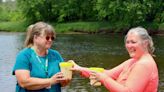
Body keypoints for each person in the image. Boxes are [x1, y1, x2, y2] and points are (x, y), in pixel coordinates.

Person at [71, 27, 159, 92]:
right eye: (127, 42)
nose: (129, 46)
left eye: (133, 42)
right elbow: (107, 73)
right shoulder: (133, 61)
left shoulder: (143, 64)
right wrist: (79, 69)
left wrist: (104, 79)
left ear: (145, 43)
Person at [12, 22, 70, 92]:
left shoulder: (56, 55)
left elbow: (62, 84)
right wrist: (50, 81)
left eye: (52, 38)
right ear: (35, 37)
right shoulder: (24, 55)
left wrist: (65, 80)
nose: (50, 40)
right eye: (47, 38)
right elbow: (24, 82)